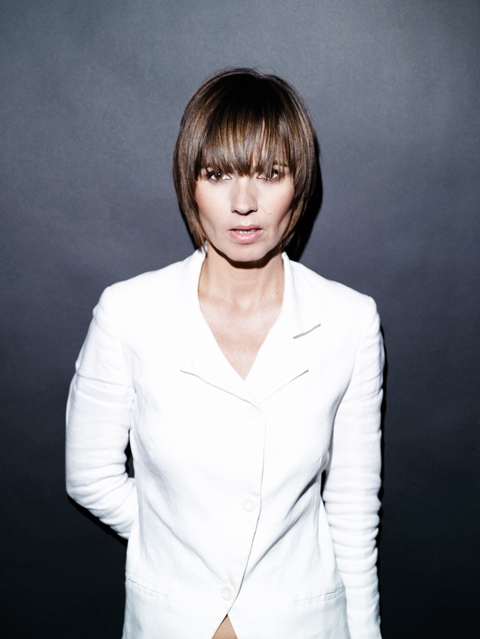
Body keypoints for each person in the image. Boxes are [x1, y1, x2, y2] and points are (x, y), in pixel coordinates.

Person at [66, 68, 384, 639]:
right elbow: (89, 475)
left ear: (299, 184)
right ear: (189, 183)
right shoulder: (128, 312)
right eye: (218, 174)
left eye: (270, 173)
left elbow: (353, 512)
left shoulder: (349, 321)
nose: (244, 203)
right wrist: (182, 548)